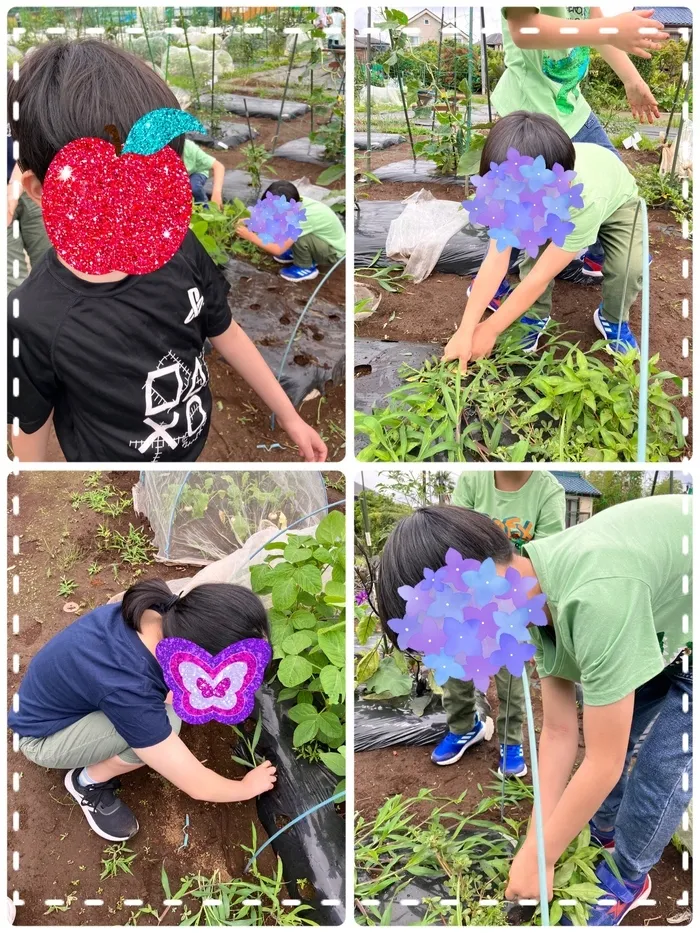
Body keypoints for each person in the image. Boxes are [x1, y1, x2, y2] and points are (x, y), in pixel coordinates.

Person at [376, 494, 692, 926]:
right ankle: (602, 832)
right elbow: (560, 732)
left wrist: (542, 856)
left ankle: (629, 877)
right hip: (665, 617)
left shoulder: (596, 600)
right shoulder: (534, 597)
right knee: (624, 725)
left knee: (663, 766)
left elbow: (603, 761)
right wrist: (537, 841)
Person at [7, 41, 326, 463]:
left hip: (189, 448)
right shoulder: (33, 316)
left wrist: (289, 417)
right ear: (40, 192)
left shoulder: (179, 247)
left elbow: (226, 332)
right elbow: (30, 426)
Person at [9, 579, 277, 842]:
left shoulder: (162, 611)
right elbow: (198, 784)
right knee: (167, 724)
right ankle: (86, 782)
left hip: (56, 698)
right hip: (42, 737)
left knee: (160, 717)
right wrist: (245, 787)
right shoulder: (131, 690)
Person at [484, 6, 666, 290]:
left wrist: (632, 79)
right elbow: (525, 30)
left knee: (615, 190)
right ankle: (491, 287)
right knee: (521, 213)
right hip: (530, 119)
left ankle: (598, 256)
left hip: (573, 110)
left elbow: (596, 21)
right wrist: (609, 29)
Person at [444, 110, 643, 369]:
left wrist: (491, 329)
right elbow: (495, 260)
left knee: (628, 268)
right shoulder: (511, 193)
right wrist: (466, 329)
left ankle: (613, 319)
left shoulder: (582, 200)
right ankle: (535, 316)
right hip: (559, 204)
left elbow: (542, 277)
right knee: (533, 256)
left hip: (617, 201)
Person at [432, 471, 565, 777]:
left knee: (512, 677)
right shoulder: (473, 481)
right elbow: (458, 541)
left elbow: (545, 560)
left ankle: (511, 741)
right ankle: (465, 726)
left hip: (515, 601)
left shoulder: (549, 491)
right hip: (470, 594)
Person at [235, 180, 346, 283]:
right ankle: (298, 253)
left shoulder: (303, 218)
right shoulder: (295, 202)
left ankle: (306, 266)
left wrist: (251, 236)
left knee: (298, 236)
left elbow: (278, 250)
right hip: (321, 241)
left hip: (332, 253)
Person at [183, 138, 225, 210]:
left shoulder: (189, 148)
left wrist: (216, 194)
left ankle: (205, 208)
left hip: (196, 171)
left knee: (194, 188)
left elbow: (218, 167)